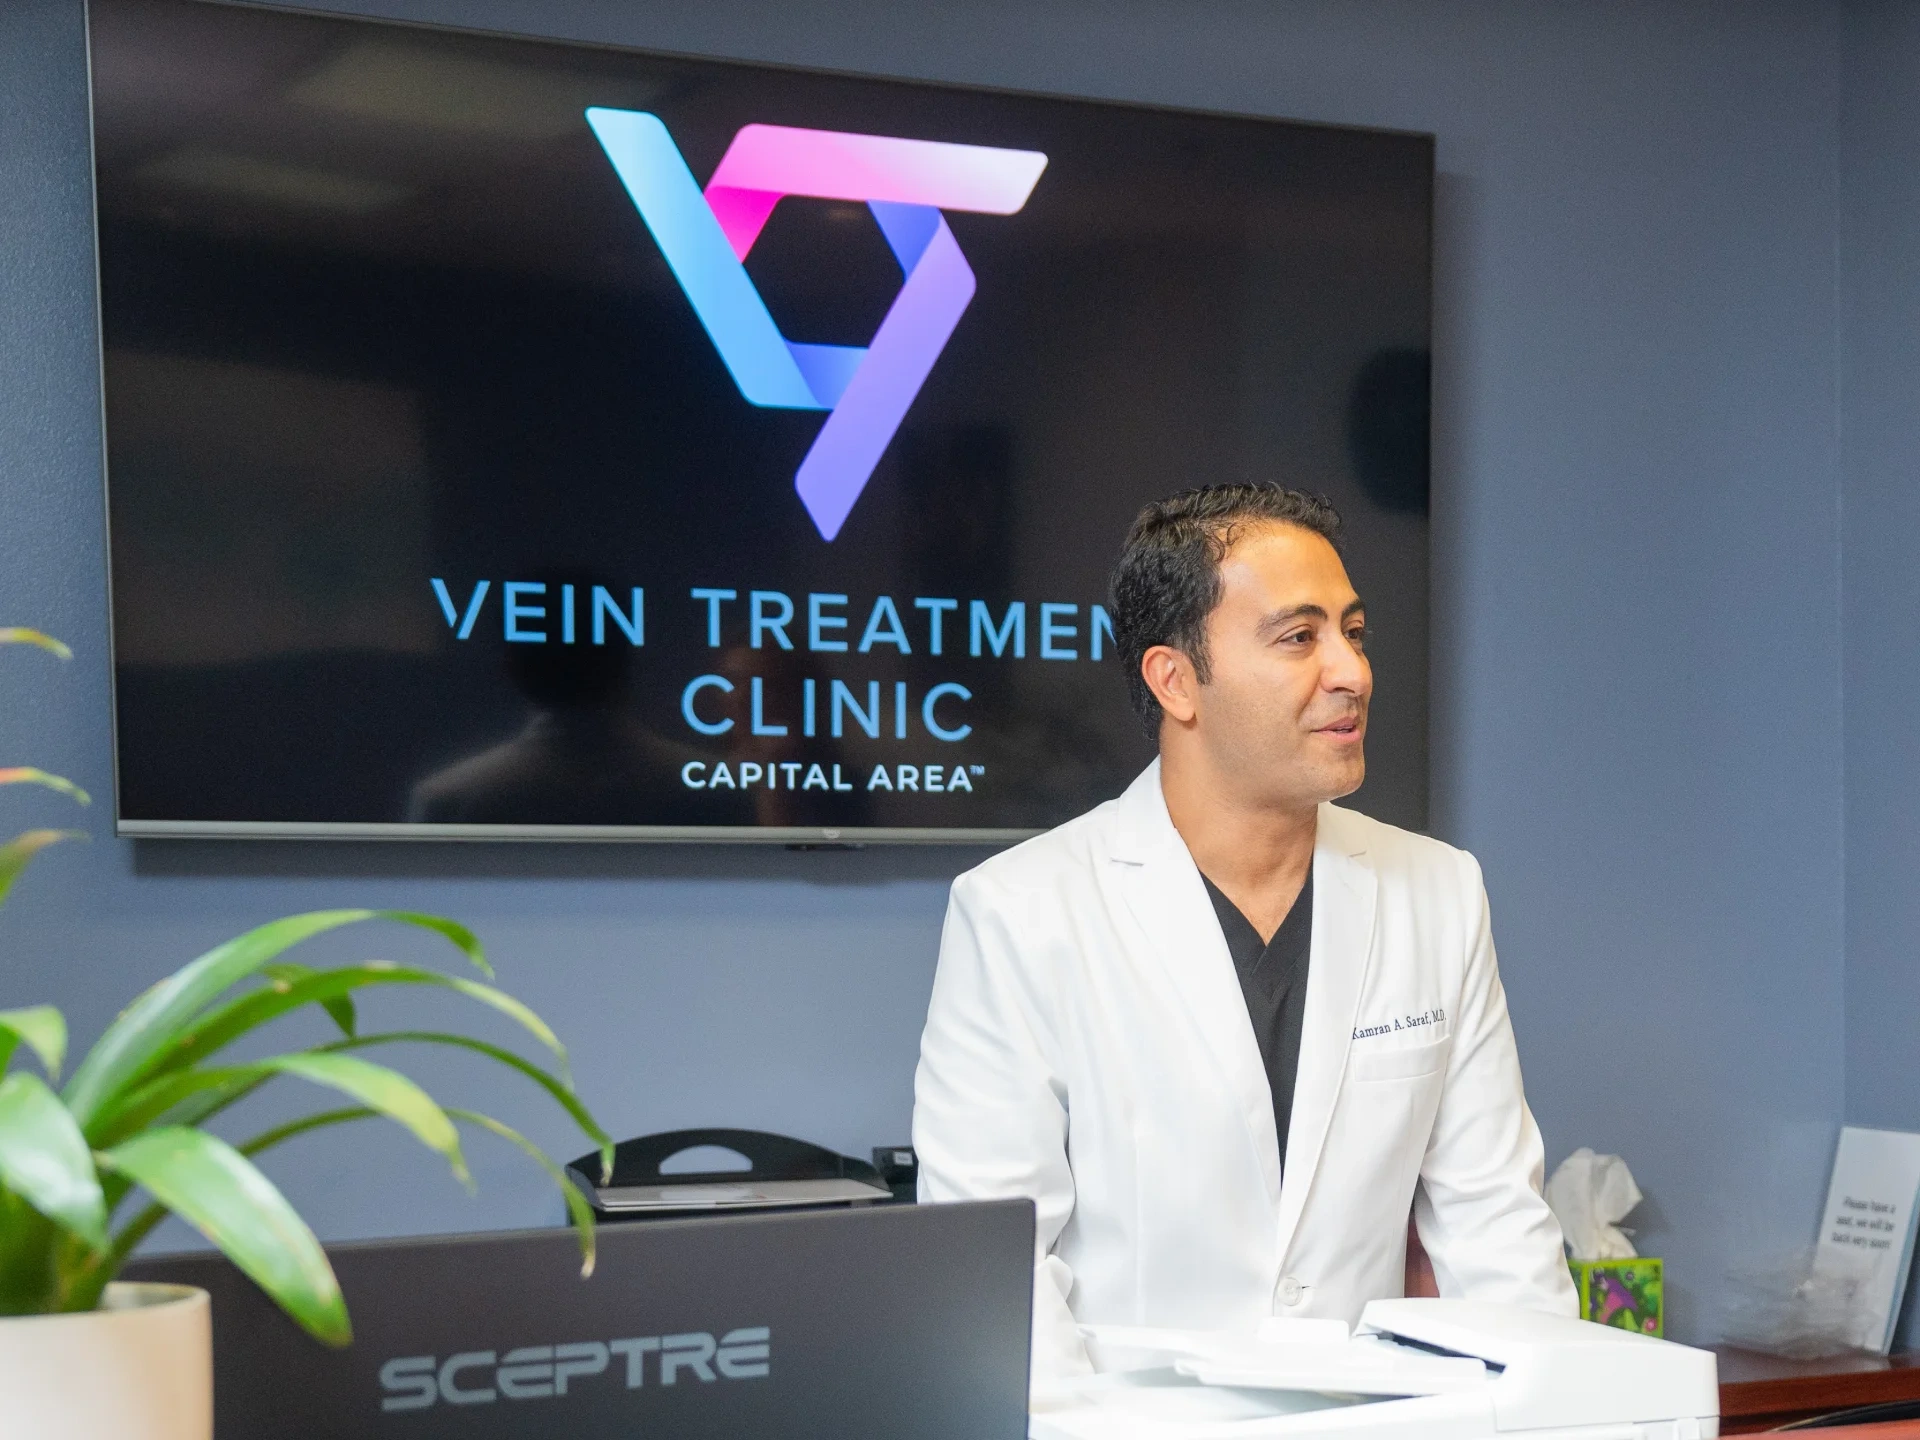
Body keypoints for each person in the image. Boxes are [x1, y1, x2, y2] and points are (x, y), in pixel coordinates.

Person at [911, 484, 1575, 1385]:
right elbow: (1000, 1286)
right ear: (1175, 680)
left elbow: (1500, 1237)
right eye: (1299, 637)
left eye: (1353, 632)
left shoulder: (1438, 892)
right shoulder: (1020, 914)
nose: (1351, 671)